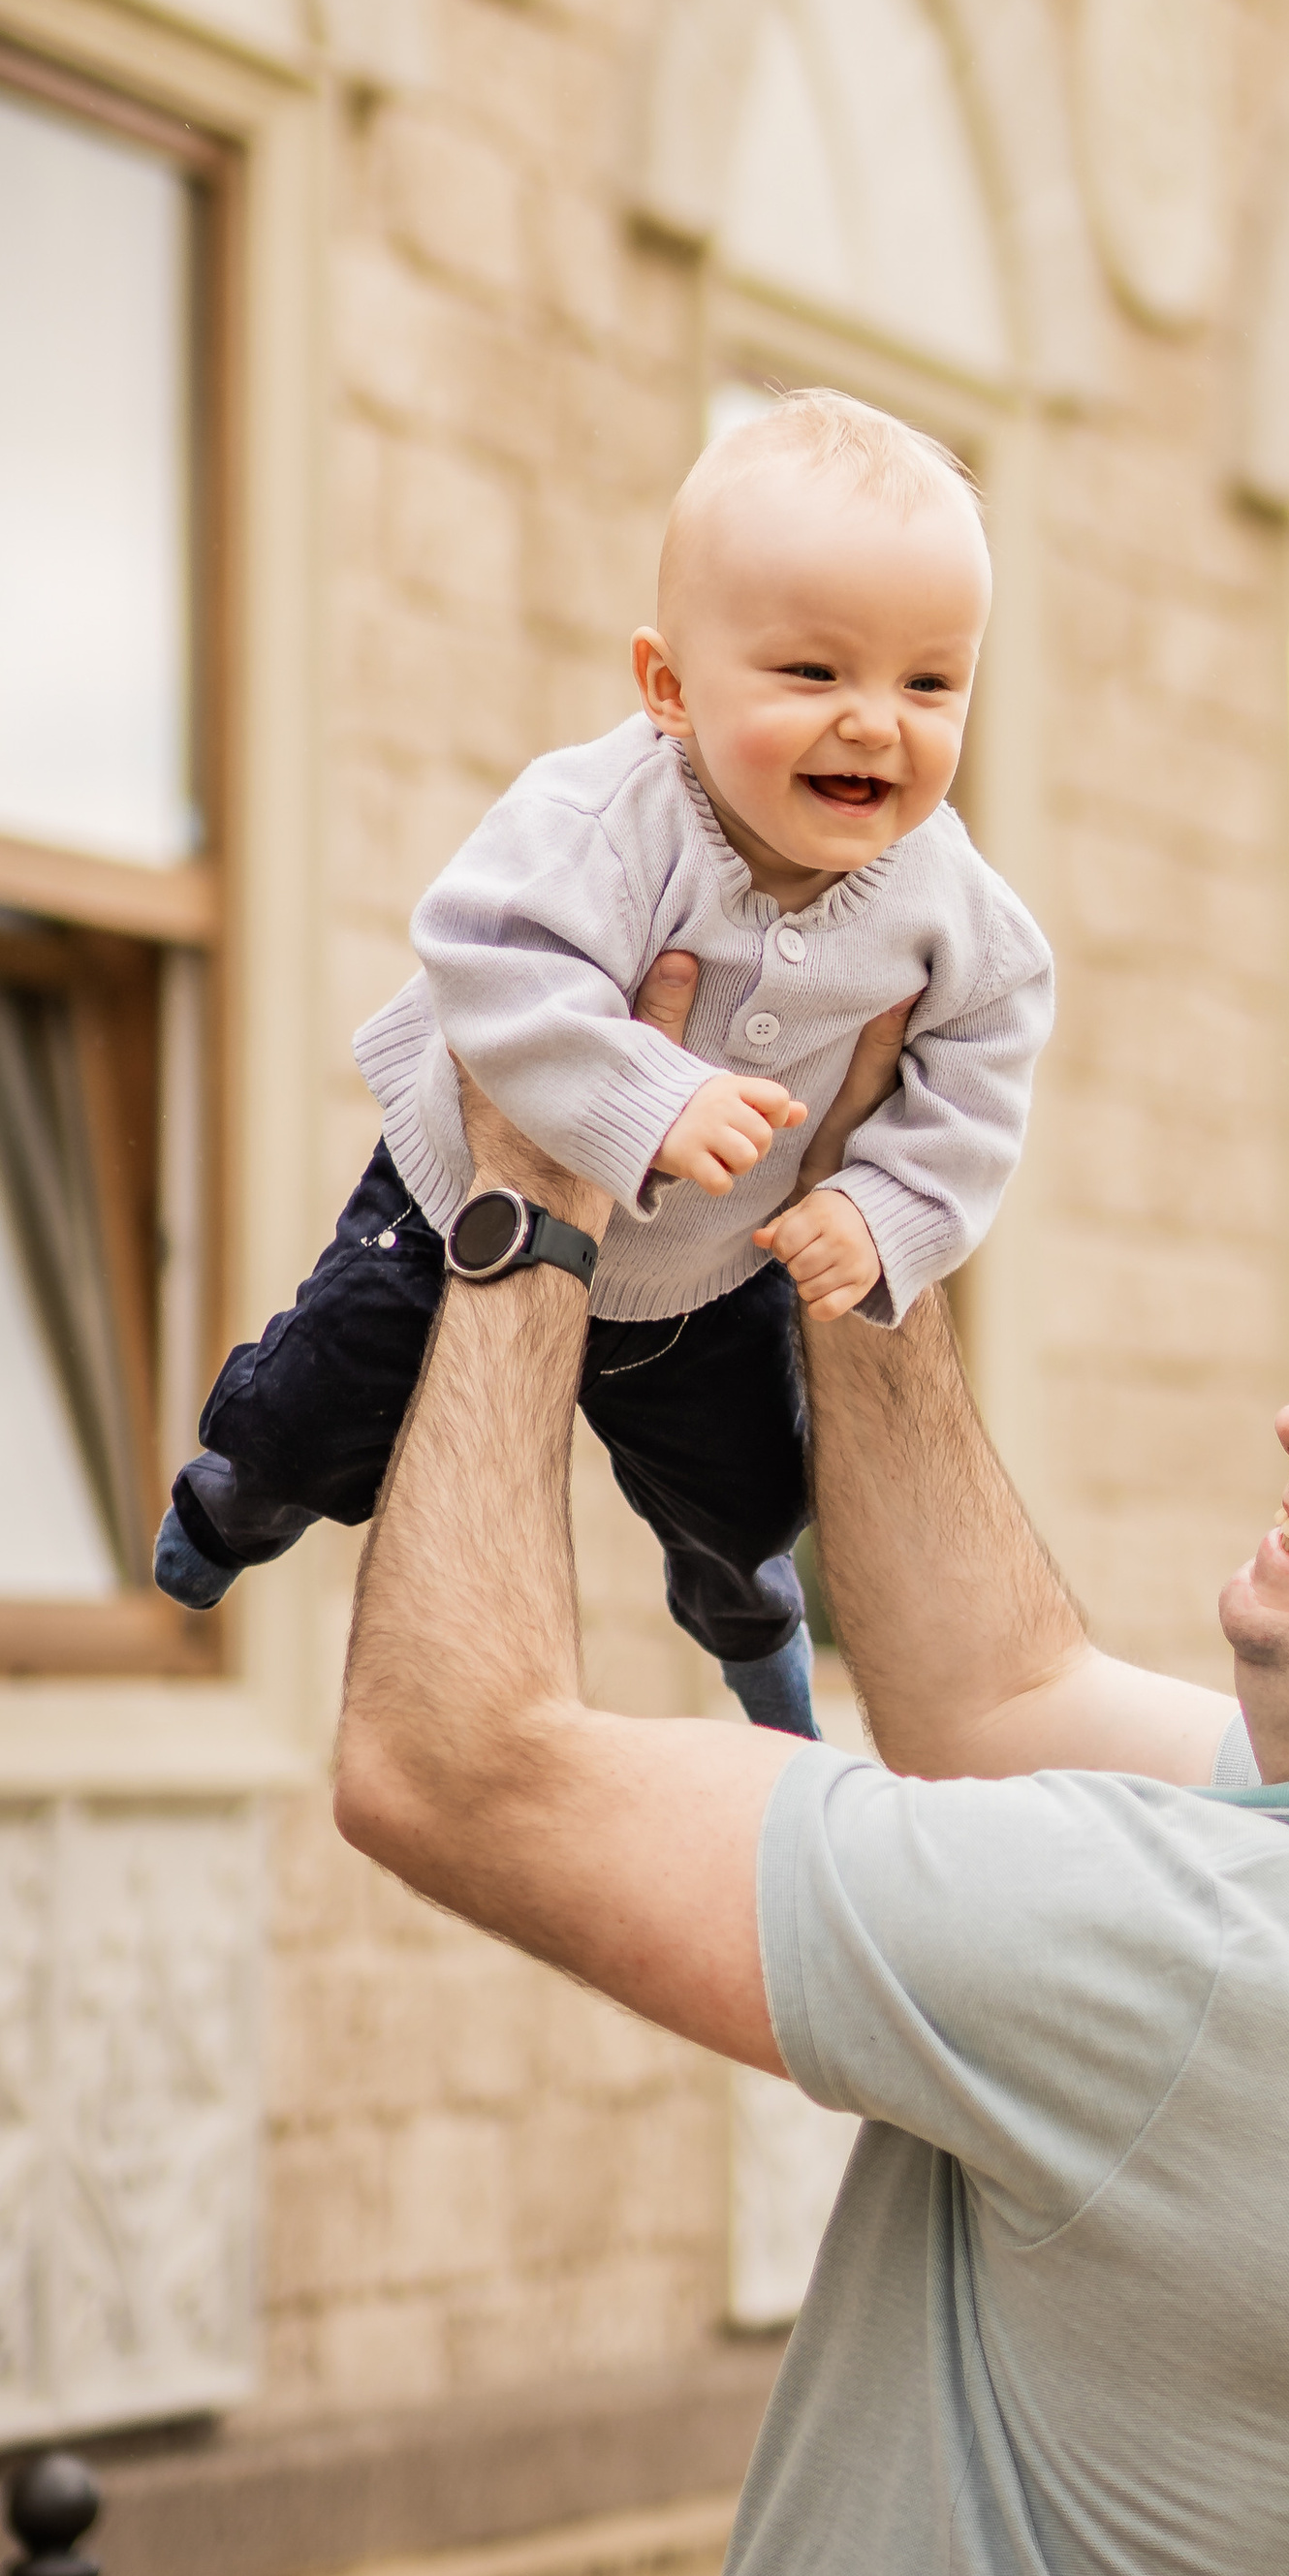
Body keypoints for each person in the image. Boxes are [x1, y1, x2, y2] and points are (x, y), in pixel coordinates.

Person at [333, 977, 1289, 2576]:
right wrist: (868, 1217)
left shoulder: (1206, 1965)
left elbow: (450, 1768)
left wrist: (535, 1192)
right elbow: (997, 1696)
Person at [156, 388, 1051, 1748]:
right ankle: (241, 1495)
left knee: (752, 1493)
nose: (878, 723)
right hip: (457, 1203)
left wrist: (891, 1207)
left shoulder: (950, 899)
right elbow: (488, 957)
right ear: (670, 689)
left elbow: (988, 1053)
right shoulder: (607, 817)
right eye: (814, 675)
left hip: (703, 1266)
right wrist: (653, 1093)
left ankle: (747, 1612)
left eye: (929, 684)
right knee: (322, 1407)